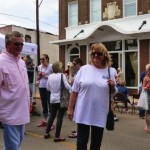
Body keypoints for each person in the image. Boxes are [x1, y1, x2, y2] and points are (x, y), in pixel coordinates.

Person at [67, 43, 117, 150]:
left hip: (100, 113)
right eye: (93, 53)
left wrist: (112, 87)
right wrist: (70, 108)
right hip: (83, 111)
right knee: (81, 143)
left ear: (104, 55)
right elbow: (74, 91)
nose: (95, 56)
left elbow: (112, 94)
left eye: (99, 54)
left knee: (96, 144)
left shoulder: (110, 71)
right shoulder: (84, 69)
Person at [0, 31, 30, 149]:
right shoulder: (1, 62)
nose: (19, 47)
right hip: (9, 113)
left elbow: (24, 86)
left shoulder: (22, 63)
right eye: (16, 44)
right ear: (7, 45)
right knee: (13, 147)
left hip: (22, 112)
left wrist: (28, 103)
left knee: (17, 143)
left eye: (21, 44)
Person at [44, 61, 71, 142]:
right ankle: (57, 136)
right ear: (59, 67)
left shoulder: (50, 76)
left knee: (52, 115)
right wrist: (73, 89)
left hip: (52, 99)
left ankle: (47, 133)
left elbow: (47, 88)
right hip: (61, 99)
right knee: (59, 117)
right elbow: (67, 86)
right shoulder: (62, 76)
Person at [37, 54, 53, 127]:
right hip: (41, 86)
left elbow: (54, 76)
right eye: (40, 59)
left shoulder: (51, 66)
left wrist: (46, 76)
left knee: (50, 104)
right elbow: (38, 78)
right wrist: (40, 76)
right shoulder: (40, 67)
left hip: (49, 87)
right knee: (44, 104)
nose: (41, 61)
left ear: (47, 59)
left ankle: (51, 123)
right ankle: (45, 120)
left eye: (43, 59)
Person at [142, 64, 150, 132]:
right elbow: (142, 88)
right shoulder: (146, 78)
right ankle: (146, 125)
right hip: (148, 96)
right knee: (147, 111)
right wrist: (146, 87)